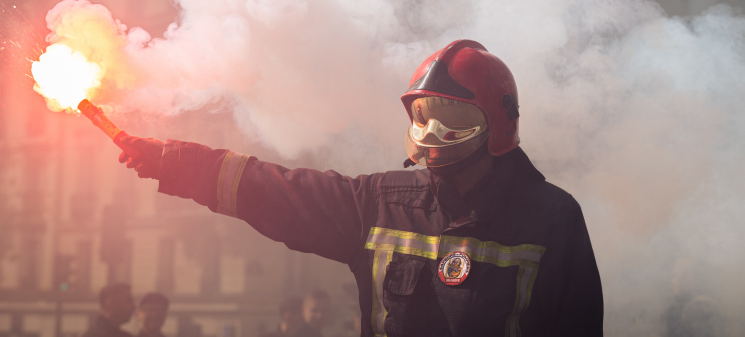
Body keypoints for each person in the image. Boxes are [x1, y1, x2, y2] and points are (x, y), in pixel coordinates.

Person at [119, 40, 604, 336]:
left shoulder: (553, 219)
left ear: (497, 120)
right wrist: (172, 162)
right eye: (423, 114)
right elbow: (275, 190)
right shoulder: (380, 203)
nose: (433, 132)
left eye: (452, 116)